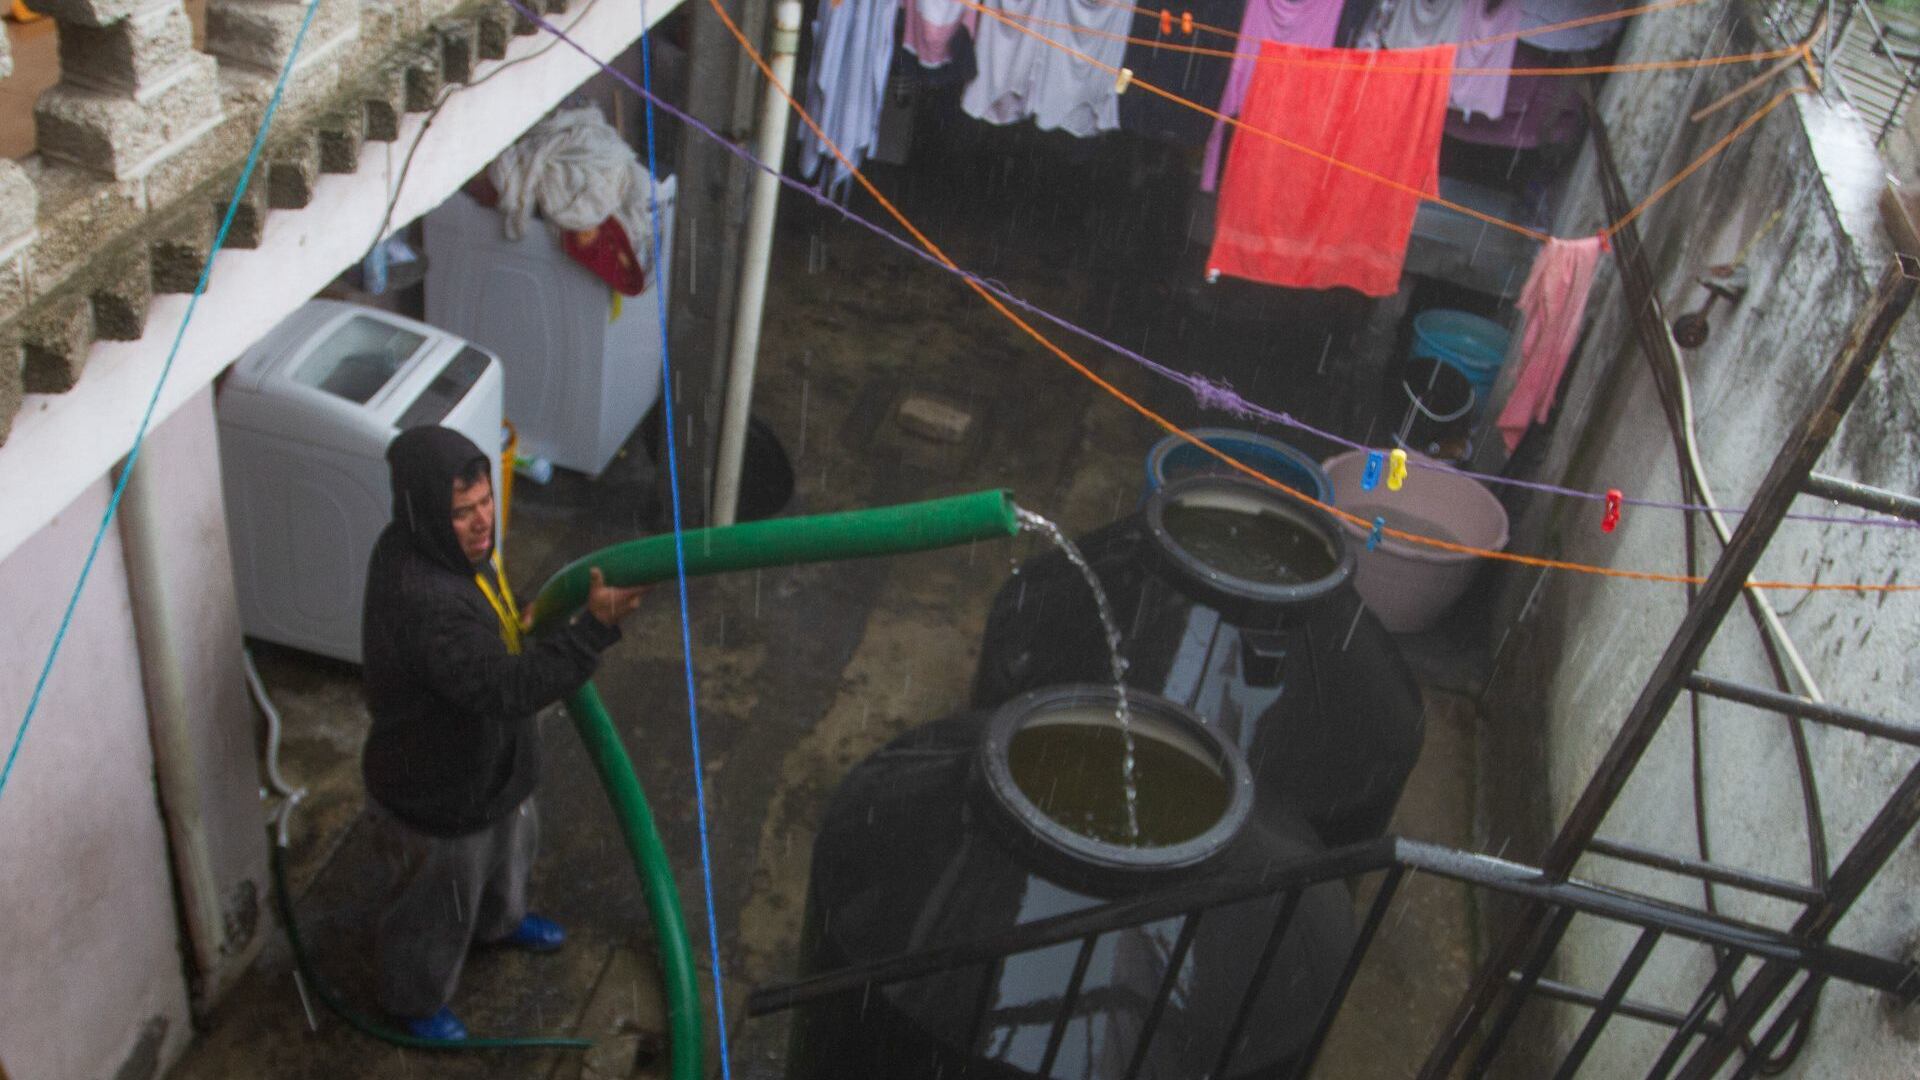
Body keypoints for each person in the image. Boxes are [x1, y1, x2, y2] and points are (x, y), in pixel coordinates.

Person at [359, 426, 645, 1040]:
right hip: (437, 788)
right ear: (428, 515)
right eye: (461, 512)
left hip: (489, 768)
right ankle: (412, 1002)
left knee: (508, 851)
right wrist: (591, 632)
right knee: (437, 902)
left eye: (486, 500)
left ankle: (500, 922)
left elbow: (485, 611)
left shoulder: (438, 547)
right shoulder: (425, 601)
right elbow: (506, 690)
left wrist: (518, 617)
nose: (482, 521)